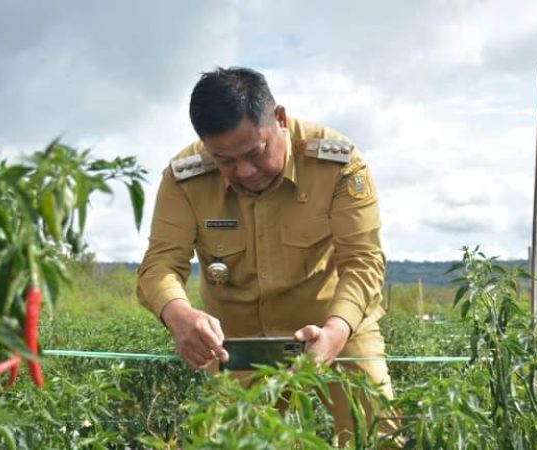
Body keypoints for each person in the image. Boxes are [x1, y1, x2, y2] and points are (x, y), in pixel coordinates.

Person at [137, 67, 393, 445]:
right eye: (225, 160)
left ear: (280, 119)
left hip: (335, 328)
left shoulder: (337, 163)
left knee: (376, 435)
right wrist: (179, 315)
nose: (244, 171)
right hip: (238, 345)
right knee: (234, 442)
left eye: (255, 153)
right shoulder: (185, 177)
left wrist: (336, 332)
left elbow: (363, 262)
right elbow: (159, 265)